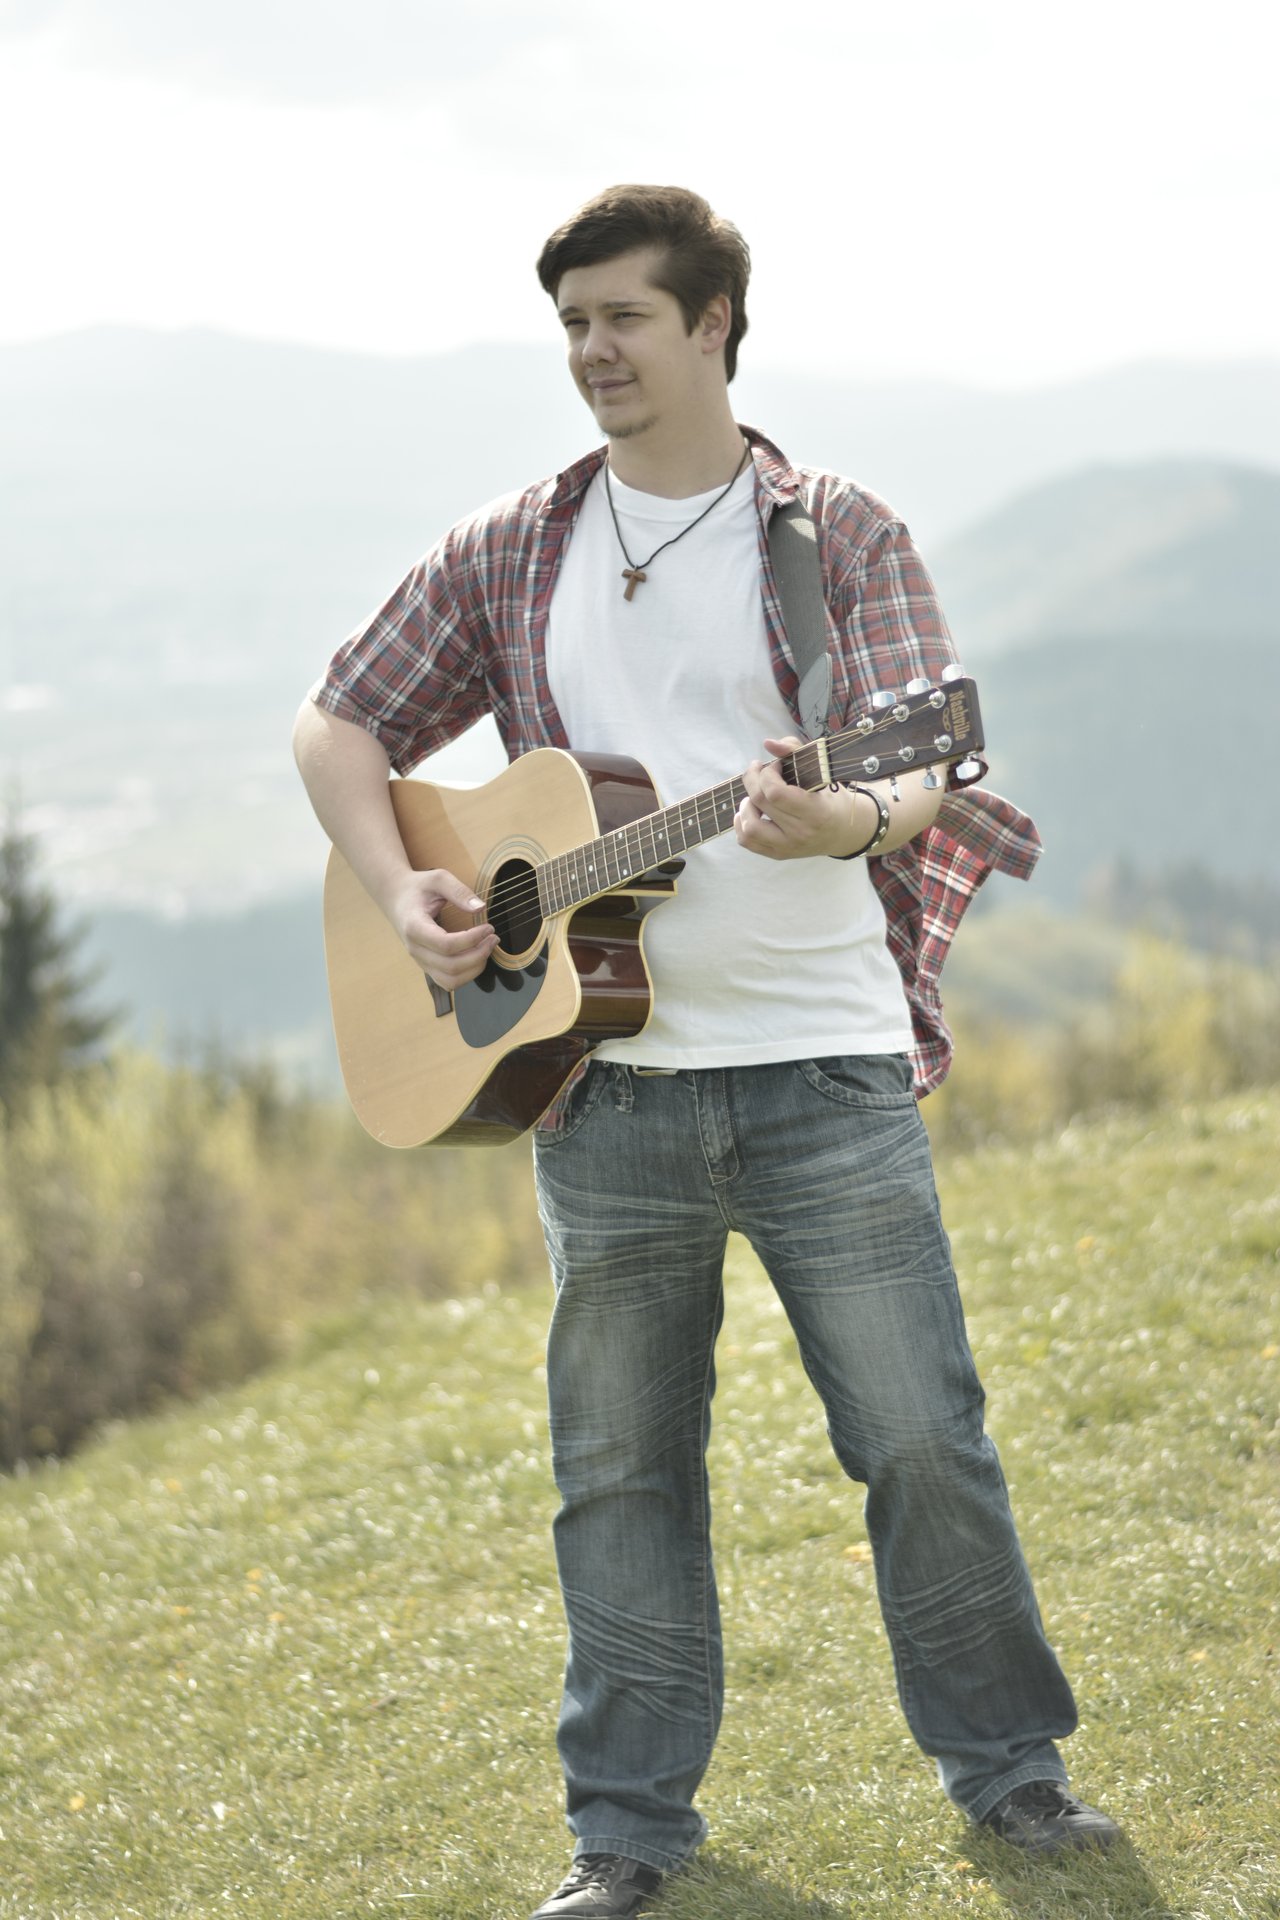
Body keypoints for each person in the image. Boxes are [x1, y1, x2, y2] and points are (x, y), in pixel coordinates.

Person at [293, 185, 1121, 1920]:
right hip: (598, 1088)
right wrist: (402, 888)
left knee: (922, 1440)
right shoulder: (513, 546)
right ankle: (625, 1838)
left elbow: (920, 757)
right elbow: (339, 722)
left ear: (715, 324)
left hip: (824, 1072)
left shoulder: (835, 533)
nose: (593, 352)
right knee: (619, 1475)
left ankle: (1015, 1781)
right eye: (573, 325)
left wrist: (848, 816)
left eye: (624, 319)